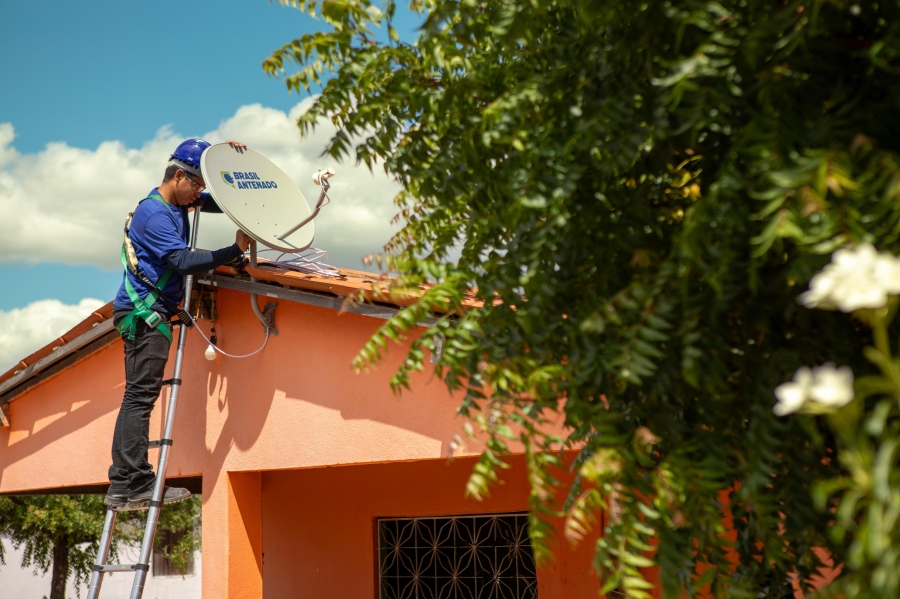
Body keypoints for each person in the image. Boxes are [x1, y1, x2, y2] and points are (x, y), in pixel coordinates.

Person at [104, 138, 252, 509]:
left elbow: (220, 202)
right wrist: (233, 250)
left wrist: (229, 160)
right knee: (139, 398)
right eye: (196, 185)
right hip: (144, 314)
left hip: (150, 312)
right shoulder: (155, 215)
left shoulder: (179, 202)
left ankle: (122, 486)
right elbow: (183, 262)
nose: (199, 194)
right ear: (178, 176)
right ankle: (136, 483)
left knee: (137, 397)